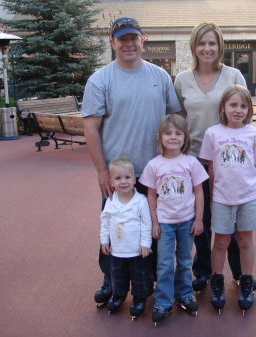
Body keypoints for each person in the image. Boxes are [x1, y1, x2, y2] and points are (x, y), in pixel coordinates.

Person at [81, 17, 181, 309]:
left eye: (133, 38)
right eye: (122, 39)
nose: (128, 44)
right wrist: (102, 171)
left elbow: (174, 120)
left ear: (143, 40)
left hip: (155, 174)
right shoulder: (100, 80)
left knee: (155, 231)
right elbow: (91, 129)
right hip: (119, 176)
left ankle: (154, 280)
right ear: (112, 43)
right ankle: (111, 281)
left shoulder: (160, 76)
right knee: (116, 229)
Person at [174, 21, 246, 293]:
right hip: (195, 162)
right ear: (194, 46)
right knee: (201, 221)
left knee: (232, 218)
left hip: (228, 164)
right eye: (202, 43)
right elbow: (178, 120)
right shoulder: (182, 79)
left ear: (220, 47)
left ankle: (239, 271)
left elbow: (244, 115)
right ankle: (203, 271)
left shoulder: (234, 75)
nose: (207, 48)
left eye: (212, 43)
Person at [199, 84, 256, 314]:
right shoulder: (213, 133)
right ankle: (217, 280)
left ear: (249, 109)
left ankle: (246, 281)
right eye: (233, 105)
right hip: (222, 198)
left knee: (244, 242)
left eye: (243, 106)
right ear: (223, 107)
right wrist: (211, 199)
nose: (238, 110)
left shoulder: (255, 134)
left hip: (248, 198)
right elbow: (211, 169)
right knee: (220, 242)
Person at [139, 114, 208, 325]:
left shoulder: (191, 162)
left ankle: (185, 293)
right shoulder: (154, 165)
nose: (173, 137)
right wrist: (154, 222)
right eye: (168, 133)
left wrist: (199, 219)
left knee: (185, 261)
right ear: (159, 137)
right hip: (165, 223)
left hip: (187, 221)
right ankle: (163, 300)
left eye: (178, 133)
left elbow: (199, 192)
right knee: (164, 263)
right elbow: (151, 194)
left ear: (185, 137)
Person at [100, 157, 153, 318]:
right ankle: (119, 295)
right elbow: (105, 222)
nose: (123, 182)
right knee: (118, 276)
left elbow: (146, 223)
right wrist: (104, 241)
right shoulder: (110, 201)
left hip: (137, 250)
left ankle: (139, 298)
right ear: (111, 182)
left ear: (134, 180)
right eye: (118, 178)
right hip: (117, 250)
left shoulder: (141, 201)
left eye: (127, 177)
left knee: (140, 276)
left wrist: (145, 244)